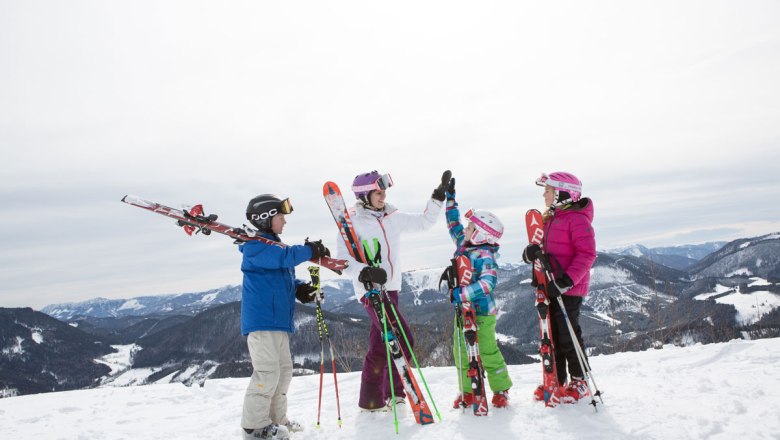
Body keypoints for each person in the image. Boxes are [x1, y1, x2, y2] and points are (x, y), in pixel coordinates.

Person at [337, 170, 446, 411]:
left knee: (379, 347)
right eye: (378, 192)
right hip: (370, 290)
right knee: (402, 337)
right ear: (365, 195)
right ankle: (396, 391)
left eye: (384, 191)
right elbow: (343, 261)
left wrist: (437, 198)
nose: (383, 195)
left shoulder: (391, 216)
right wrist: (364, 271)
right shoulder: (352, 221)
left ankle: (372, 400)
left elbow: (424, 222)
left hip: (392, 288)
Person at [239, 194, 330, 440]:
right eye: (281, 217)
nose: (285, 222)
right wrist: (310, 249)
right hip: (262, 322)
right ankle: (254, 426)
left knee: (283, 372)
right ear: (265, 219)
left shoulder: (271, 246)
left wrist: (302, 290)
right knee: (267, 373)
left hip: (278, 322)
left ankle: (277, 420)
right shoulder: (256, 247)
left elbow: (283, 276)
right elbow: (284, 257)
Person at [523, 171, 596, 405]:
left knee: (567, 335)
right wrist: (530, 253)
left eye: (548, 191)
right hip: (550, 285)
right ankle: (557, 380)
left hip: (569, 289)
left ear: (562, 193)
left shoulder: (577, 219)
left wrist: (566, 281)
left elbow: (587, 254)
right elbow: (542, 250)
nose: (544, 195)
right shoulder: (550, 218)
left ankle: (580, 380)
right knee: (551, 335)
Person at [443, 177, 513, 409]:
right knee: (461, 352)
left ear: (482, 234)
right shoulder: (465, 244)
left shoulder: (485, 256)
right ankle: (468, 390)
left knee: (487, 350)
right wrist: (450, 200)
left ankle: (501, 388)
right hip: (462, 313)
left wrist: (461, 294)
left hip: (482, 313)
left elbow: (487, 284)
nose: (466, 230)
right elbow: (454, 225)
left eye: (471, 227)